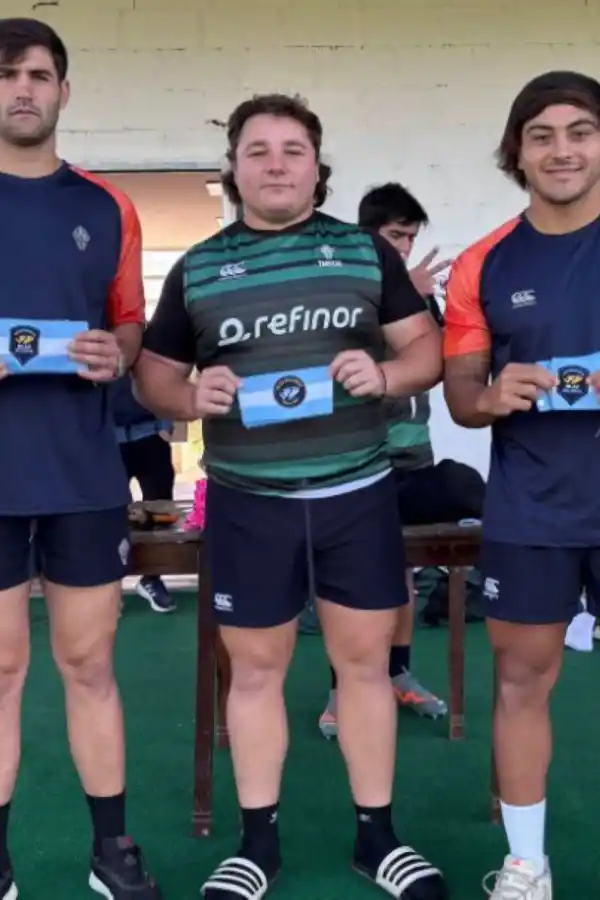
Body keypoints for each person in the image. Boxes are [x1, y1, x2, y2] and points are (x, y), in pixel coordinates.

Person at [134, 93, 446, 900]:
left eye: (293, 149)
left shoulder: (362, 252)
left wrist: (385, 374)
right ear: (233, 168)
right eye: (258, 150)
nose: (276, 163)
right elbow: (158, 376)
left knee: (364, 669)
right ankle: (256, 846)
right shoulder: (200, 267)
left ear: (317, 165)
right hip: (248, 501)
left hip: (358, 495)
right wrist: (187, 397)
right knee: (257, 674)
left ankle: (378, 840)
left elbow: (425, 352)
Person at [0, 18, 159, 900]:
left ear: (64, 89)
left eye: (38, 73)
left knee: (91, 665)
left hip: (83, 474)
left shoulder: (107, 205)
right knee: (1, 670)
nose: (22, 89)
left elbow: (128, 321)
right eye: (7, 75)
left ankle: (113, 851)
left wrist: (119, 352)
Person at [443, 70, 600, 900]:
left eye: (580, 131)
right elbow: (461, 394)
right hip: (533, 507)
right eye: (541, 135)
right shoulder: (484, 262)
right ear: (518, 153)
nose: (562, 149)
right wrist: (491, 395)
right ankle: (526, 864)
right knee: (520, 682)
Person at [319, 183, 485, 737]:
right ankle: (343, 689)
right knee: (352, 585)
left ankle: (399, 675)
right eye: (395, 236)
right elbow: (338, 371)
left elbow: (438, 362)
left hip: (415, 462)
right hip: (359, 467)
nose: (405, 248)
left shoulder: (419, 299)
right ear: (368, 236)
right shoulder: (343, 292)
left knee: (405, 578)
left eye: (411, 237)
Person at [113, 372, 176, 612]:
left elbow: (167, 376)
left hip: (150, 434)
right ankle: (110, 584)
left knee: (160, 513)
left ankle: (152, 579)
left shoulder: (147, 336)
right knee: (109, 517)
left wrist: (165, 426)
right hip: (106, 441)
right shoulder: (87, 335)